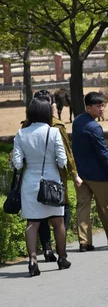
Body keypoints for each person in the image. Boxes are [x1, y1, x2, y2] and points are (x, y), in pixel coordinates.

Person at [11, 98, 71, 276]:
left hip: (30, 183)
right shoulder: (53, 133)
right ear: (47, 113)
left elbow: (17, 163)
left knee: (32, 223)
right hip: (51, 182)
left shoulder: (21, 134)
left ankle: (32, 260)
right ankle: (61, 258)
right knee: (58, 222)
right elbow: (62, 160)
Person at [27, 90, 83, 263]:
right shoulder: (57, 126)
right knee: (60, 215)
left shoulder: (24, 127)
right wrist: (74, 174)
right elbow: (66, 154)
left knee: (37, 217)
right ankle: (61, 253)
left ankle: (46, 249)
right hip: (55, 178)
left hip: (31, 180)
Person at [72, 92, 108, 252]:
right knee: (105, 206)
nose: (102, 109)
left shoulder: (77, 121)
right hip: (97, 174)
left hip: (81, 172)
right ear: (88, 107)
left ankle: (84, 242)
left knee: (83, 207)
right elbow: (103, 153)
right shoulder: (94, 126)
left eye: (103, 105)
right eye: (98, 106)